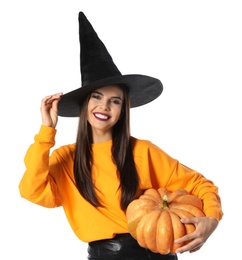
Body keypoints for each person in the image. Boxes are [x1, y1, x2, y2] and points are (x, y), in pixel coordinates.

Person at [19, 11, 223, 260]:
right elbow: (32, 190)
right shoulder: (65, 159)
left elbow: (199, 184)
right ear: (84, 104)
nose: (104, 107)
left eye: (114, 101)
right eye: (96, 97)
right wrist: (46, 132)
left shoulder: (142, 151)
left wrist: (211, 219)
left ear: (122, 111)